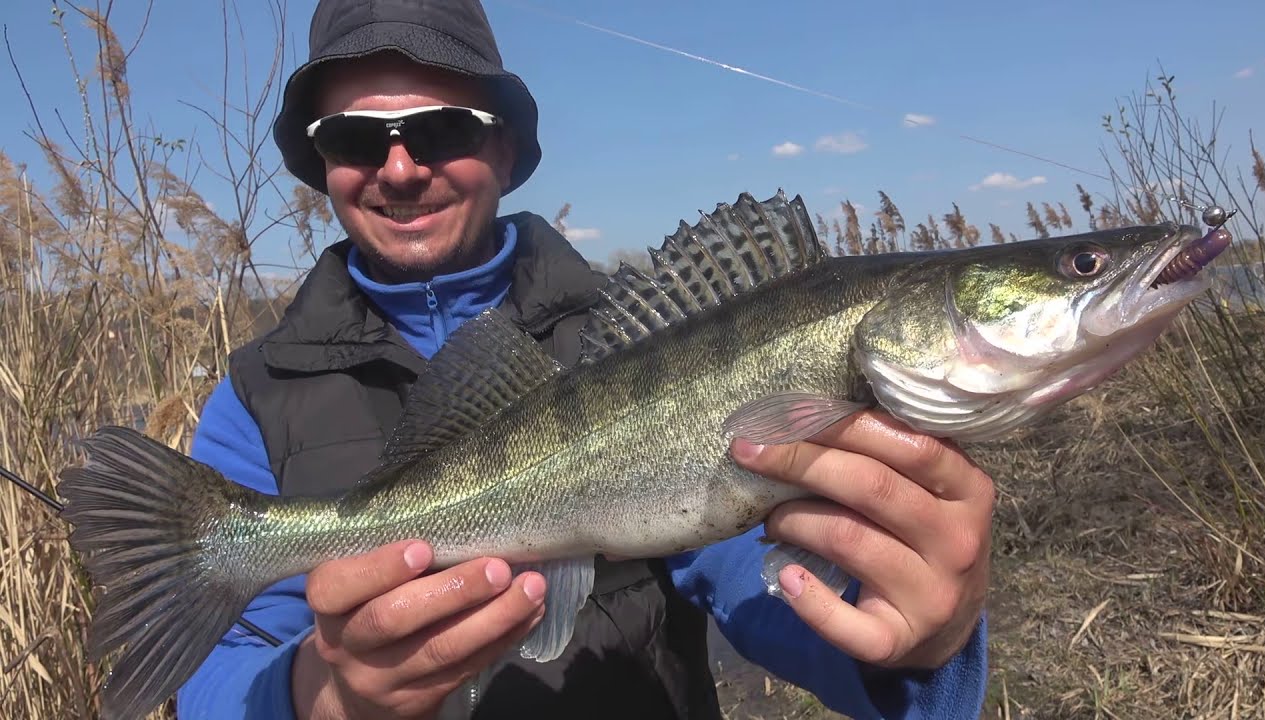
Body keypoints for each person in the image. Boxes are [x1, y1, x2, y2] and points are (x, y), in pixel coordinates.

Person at [175, 1, 994, 718]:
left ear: (505, 150)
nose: (400, 167)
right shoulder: (255, 401)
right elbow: (213, 684)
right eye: (356, 138)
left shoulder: (641, 337)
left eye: (442, 129)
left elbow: (749, 568)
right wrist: (329, 697)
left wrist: (919, 636)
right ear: (325, 167)